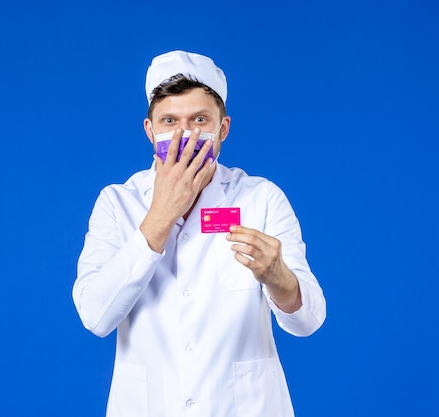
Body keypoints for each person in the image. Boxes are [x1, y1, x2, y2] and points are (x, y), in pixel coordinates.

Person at [72, 50, 326, 417]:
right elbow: (96, 317)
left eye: (200, 119)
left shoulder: (261, 197)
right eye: (170, 120)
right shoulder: (117, 203)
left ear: (223, 128)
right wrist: (161, 214)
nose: (184, 135)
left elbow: (308, 321)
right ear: (150, 130)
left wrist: (278, 277)